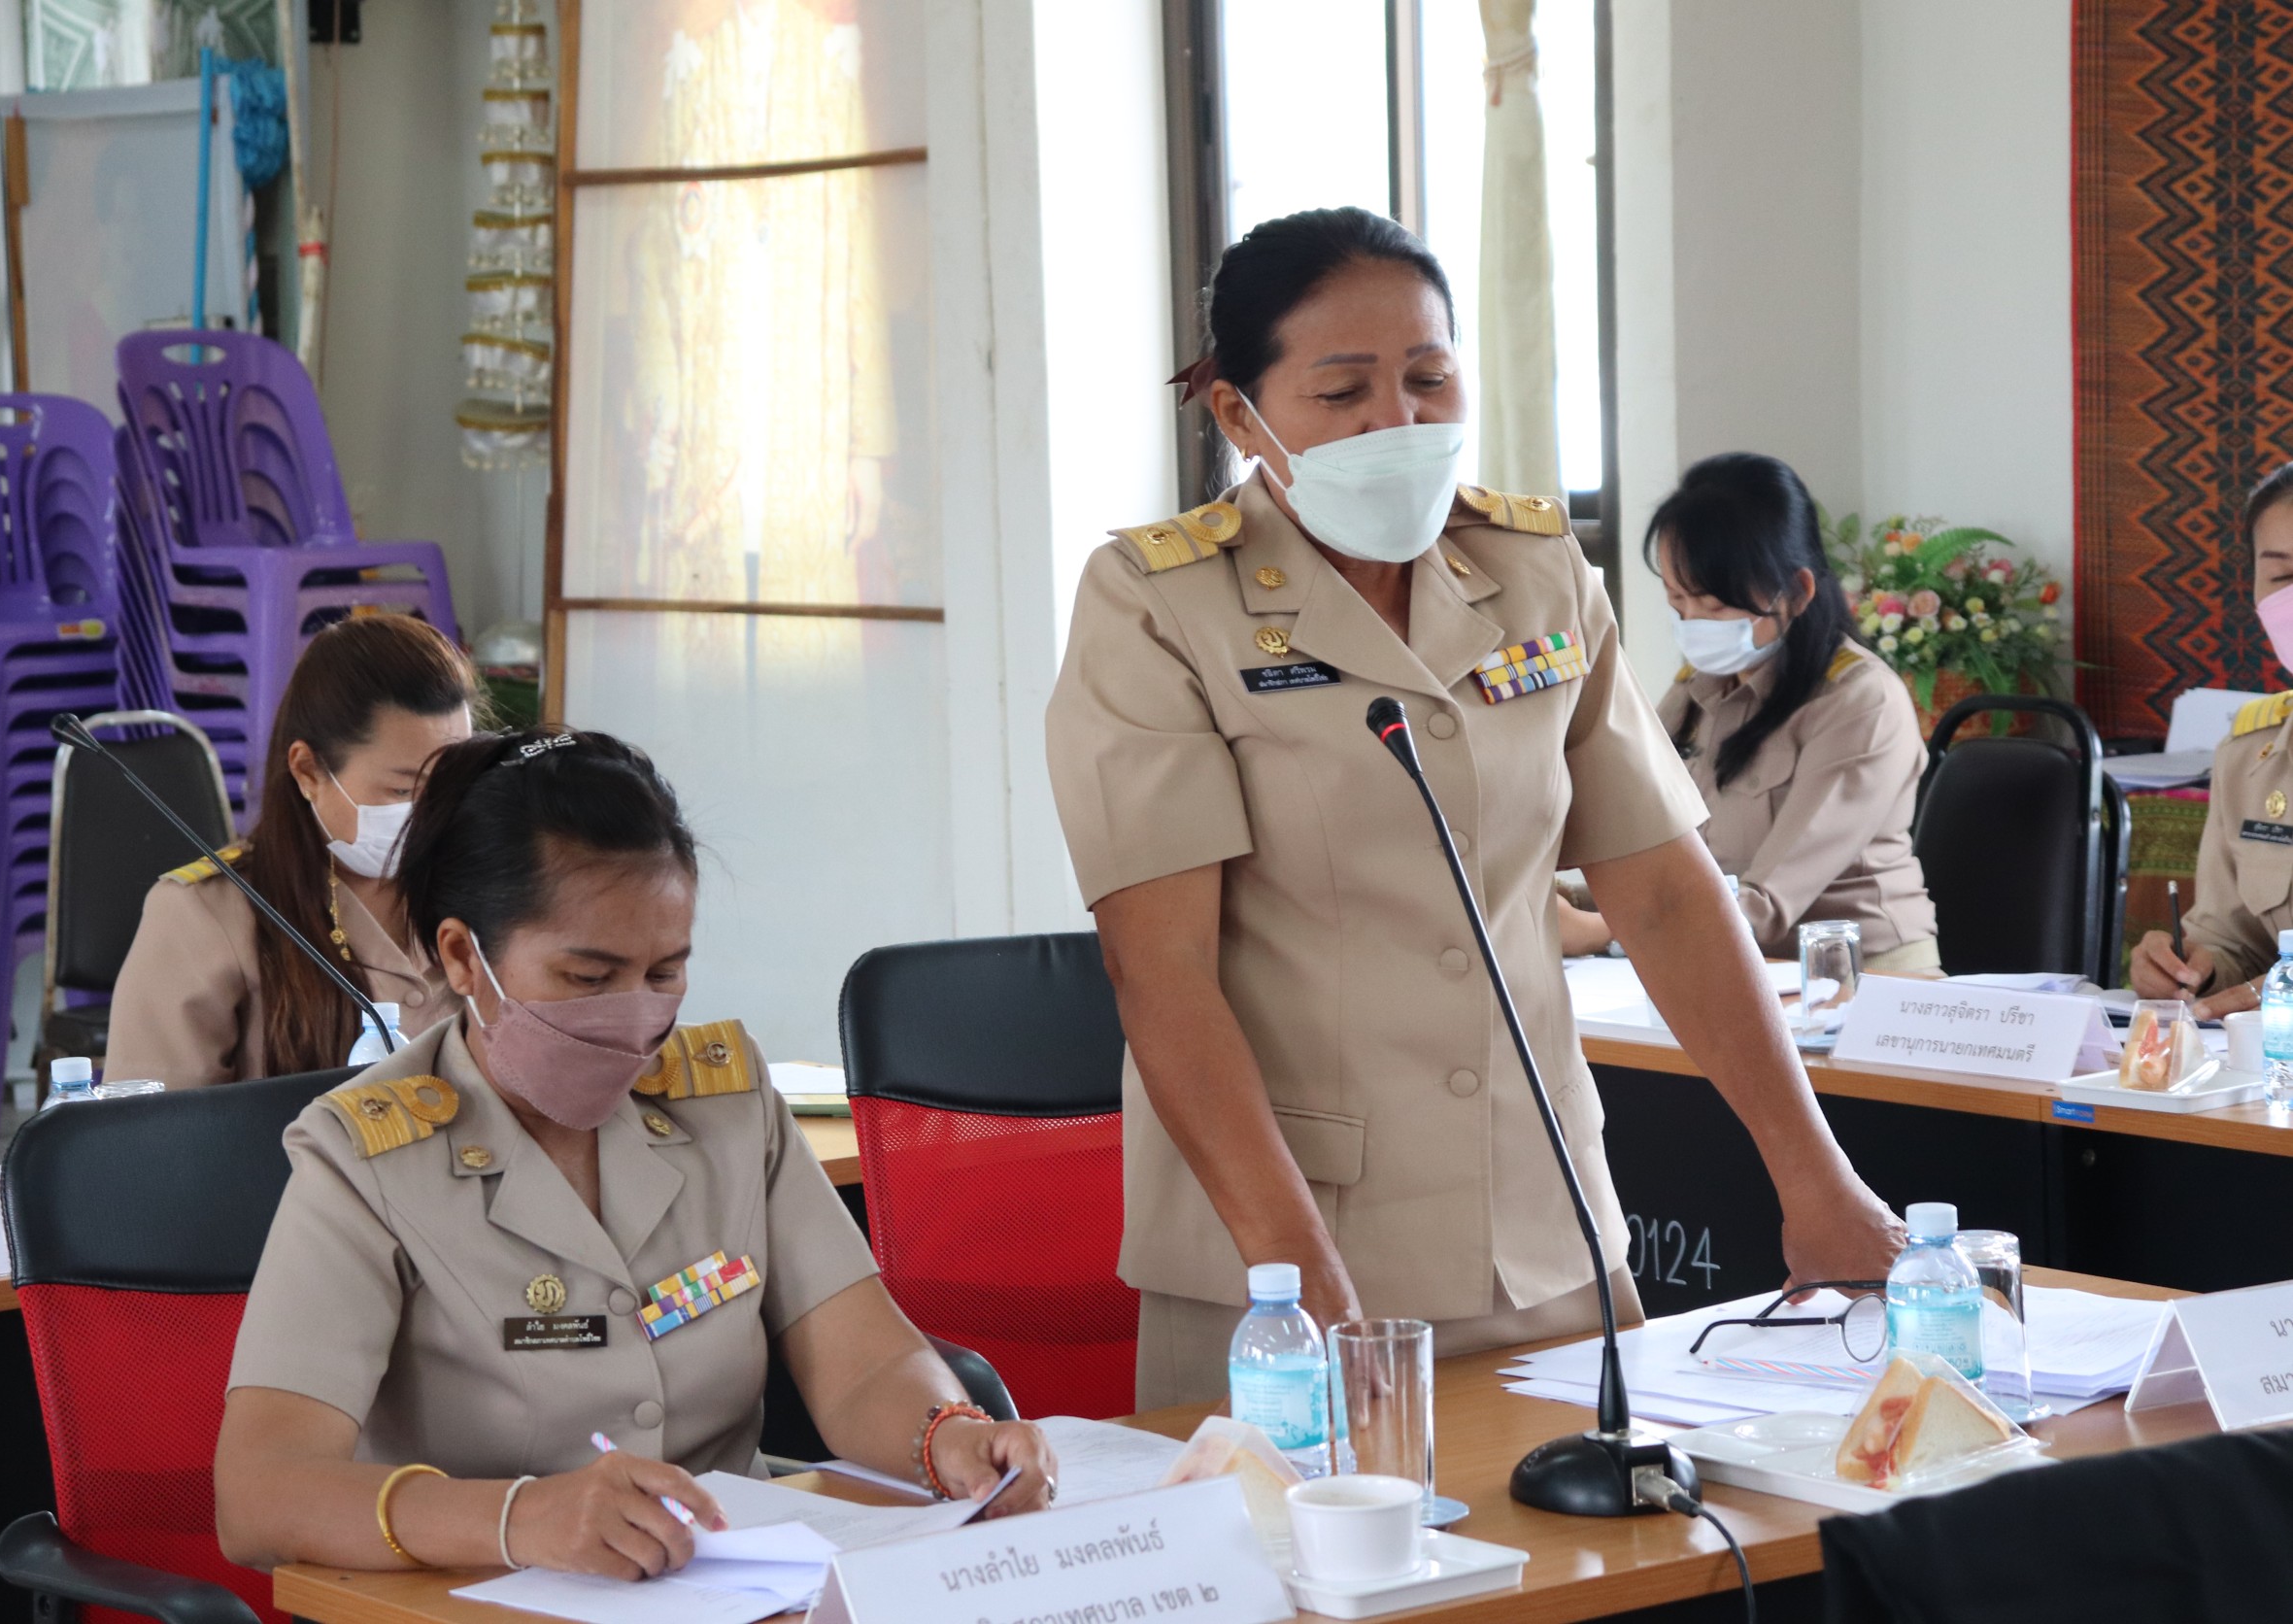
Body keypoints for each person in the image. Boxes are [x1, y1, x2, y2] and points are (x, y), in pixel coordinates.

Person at [1044, 206, 1902, 1409]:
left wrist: (1815, 1177)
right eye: (1341, 392)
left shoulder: (1533, 571)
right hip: (1286, 1262)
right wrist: (1305, 1284)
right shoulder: (1158, 604)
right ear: (1239, 414)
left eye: (1428, 378)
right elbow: (1161, 971)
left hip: (1544, 1223)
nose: (1396, 422)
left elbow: (1663, 891)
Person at [215, 729, 1055, 1578]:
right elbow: (260, 1494)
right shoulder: (365, 1158)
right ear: (464, 956)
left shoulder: (725, 1106)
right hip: (484, 1593)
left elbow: (865, 1363)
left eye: (664, 974)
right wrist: (518, 1518)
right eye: (588, 978)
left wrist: (948, 1436)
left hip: (734, 1584)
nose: (634, 1015)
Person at [106, 615, 476, 1087]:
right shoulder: (208, 912)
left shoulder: (489, 886)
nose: (430, 815)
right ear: (307, 771)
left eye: (451, 786)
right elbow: (154, 1122)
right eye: (402, 790)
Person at [1612, 453, 1939, 971]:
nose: (1693, 622)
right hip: (1735, 965)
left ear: (1798, 591)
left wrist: (1602, 930)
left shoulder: (1861, 701)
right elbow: (1644, 839)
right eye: (1677, 601)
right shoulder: (1698, 689)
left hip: (1864, 978)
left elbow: (1765, 905)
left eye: (1715, 606)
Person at [2131, 462, 2293, 1015]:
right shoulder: (2250, 756)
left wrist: (2275, 990)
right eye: (2282, 576)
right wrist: (2190, 968)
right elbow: (2234, 939)